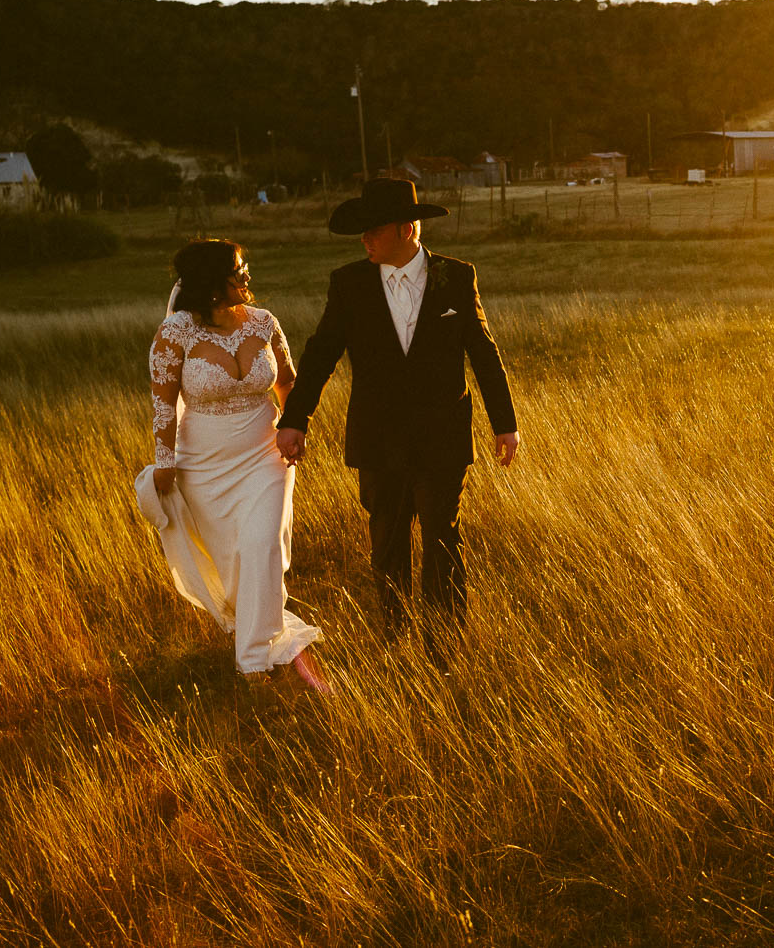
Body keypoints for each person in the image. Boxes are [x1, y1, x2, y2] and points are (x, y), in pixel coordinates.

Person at [275, 178, 519, 659]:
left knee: (443, 541)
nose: (365, 239)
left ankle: (444, 648)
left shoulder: (457, 276)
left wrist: (504, 422)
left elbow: (483, 354)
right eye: (361, 232)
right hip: (378, 438)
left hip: (442, 435)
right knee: (387, 545)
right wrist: (294, 418)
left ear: (408, 229)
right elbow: (321, 352)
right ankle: (395, 641)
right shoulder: (348, 283)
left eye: (375, 230)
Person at [141, 238, 332, 692]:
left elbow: (287, 383)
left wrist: (295, 426)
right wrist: (163, 462)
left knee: (261, 544)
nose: (248, 276)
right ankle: (258, 630)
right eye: (238, 270)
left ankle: (252, 662)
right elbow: (164, 405)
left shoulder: (264, 323)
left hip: (266, 454)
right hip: (205, 464)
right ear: (212, 281)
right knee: (235, 560)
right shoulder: (176, 334)